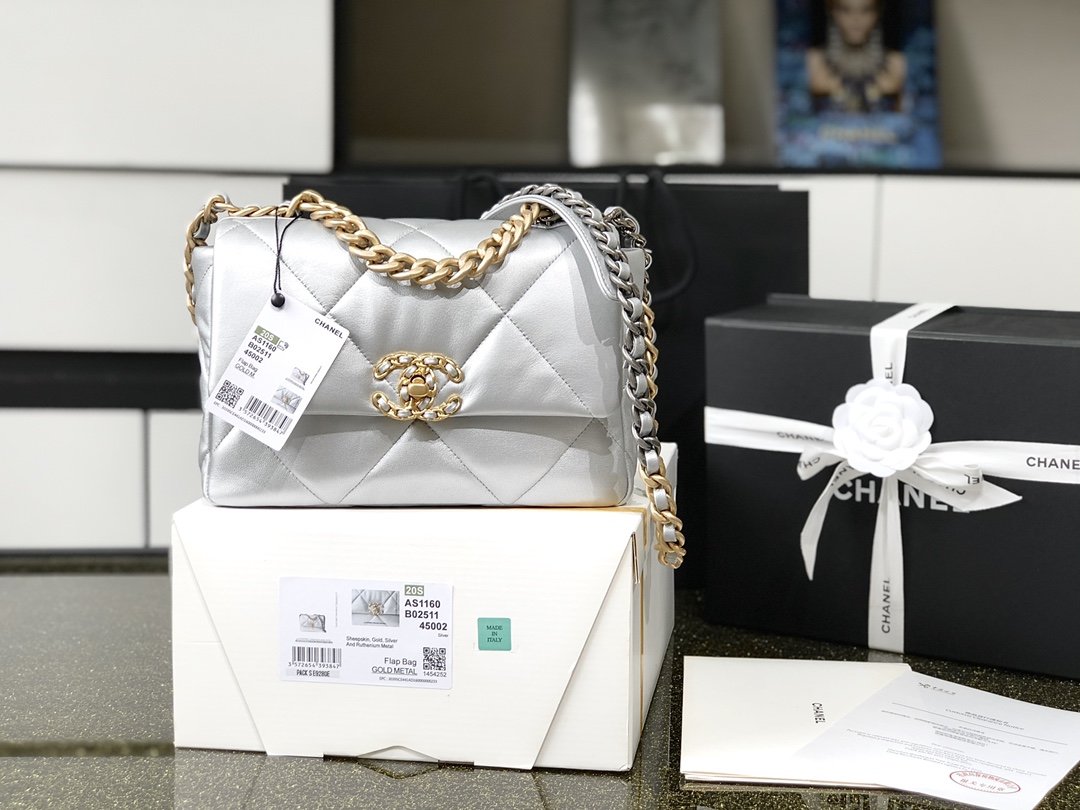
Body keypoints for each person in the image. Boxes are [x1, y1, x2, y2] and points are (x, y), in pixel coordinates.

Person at [806, 0, 906, 113]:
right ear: (832, 11)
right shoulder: (813, 63)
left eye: (865, 10)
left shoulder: (896, 64)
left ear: (878, 12)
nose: (856, 20)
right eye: (846, 10)